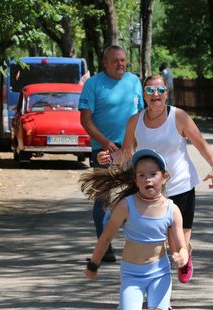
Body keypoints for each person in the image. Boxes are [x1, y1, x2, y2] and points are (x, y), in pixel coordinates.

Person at [80, 149, 188, 310]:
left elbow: (180, 244)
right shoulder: (126, 205)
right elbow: (106, 237)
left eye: (153, 174)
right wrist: (93, 265)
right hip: (132, 275)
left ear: (164, 177)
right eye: (142, 175)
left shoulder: (172, 210)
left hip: (159, 274)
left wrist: (182, 256)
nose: (148, 179)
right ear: (135, 179)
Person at [97, 74, 213, 284]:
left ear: (167, 93)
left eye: (160, 90)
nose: (155, 94)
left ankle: (185, 256)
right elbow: (126, 155)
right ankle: (162, 292)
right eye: (150, 90)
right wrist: (109, 158)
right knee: (158, 242)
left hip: (181, 185)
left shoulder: (179, 117)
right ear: (143, 95)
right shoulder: (135, 122)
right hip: (151, 191)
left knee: (178, 244)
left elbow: (201, 143)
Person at [79, 45, 144, 262]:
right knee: (103, 199)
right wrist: (104, 142)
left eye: (123, 60)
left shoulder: (134, 82)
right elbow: (85, 120)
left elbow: (141, 115)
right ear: (105, 63)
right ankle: (104, 246)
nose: (120, 64)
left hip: (131, 149)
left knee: (138, 197)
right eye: (115, 60)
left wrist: (136, 144)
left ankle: (139, 245)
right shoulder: (93, 84)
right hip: (104, 150)